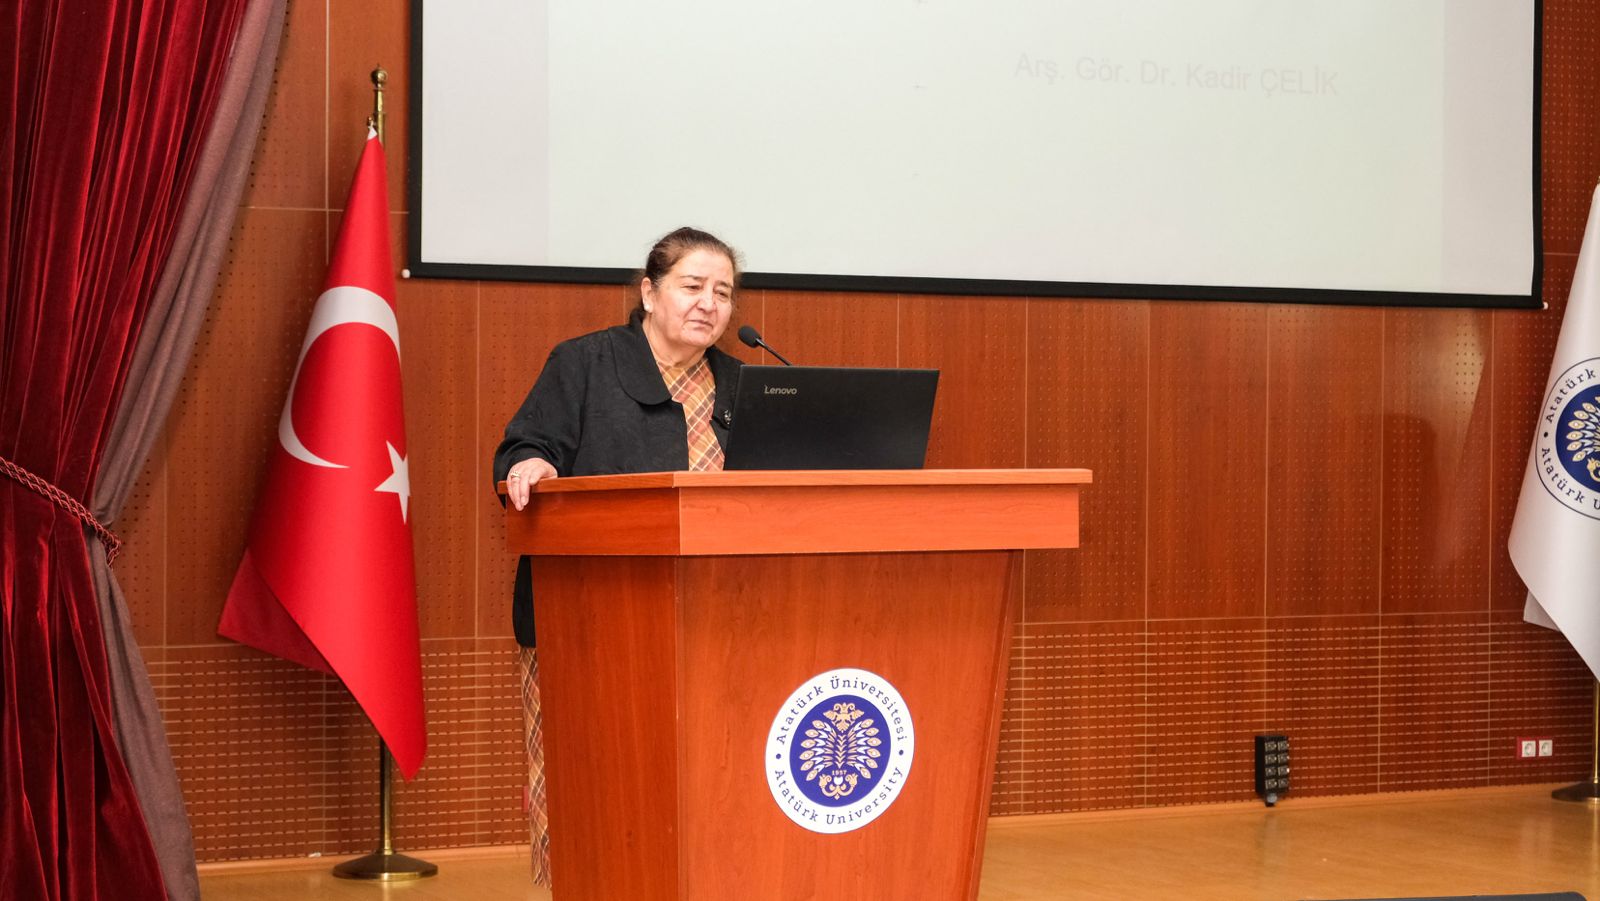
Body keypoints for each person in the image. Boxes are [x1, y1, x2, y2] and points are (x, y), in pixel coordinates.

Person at [491, 226, 743, 886]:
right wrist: (533, 462)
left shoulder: (744, 384)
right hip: (590, 619)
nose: (709, 303)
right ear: (649, 293)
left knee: (711, 776)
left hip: (723, 622)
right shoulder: (584, 363)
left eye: (723, 292)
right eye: (693, 286)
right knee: (591, 781)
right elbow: (525, 445)